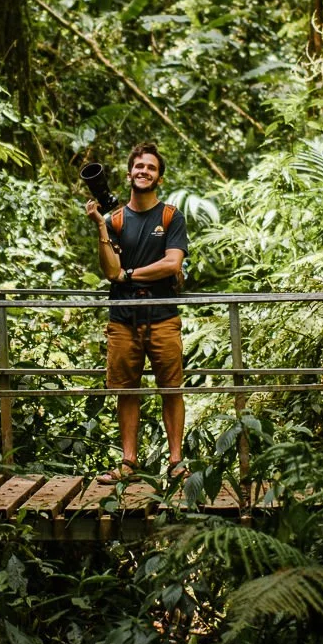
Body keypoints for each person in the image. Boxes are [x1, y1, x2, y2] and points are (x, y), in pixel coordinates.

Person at [85, 142, 189, 484]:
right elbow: (109, 270)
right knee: (126, 389)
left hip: (162, 315)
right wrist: (101, 227)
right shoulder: (114, 219)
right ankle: (128, 462)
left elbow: (173, 263)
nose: (144, 171)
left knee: (170, 388)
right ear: (129, 173)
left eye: (151, 168)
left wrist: (130, 274)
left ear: (159, 177)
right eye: (139, 167)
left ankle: (176, 462)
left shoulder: (170, 216)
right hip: (123, 318)